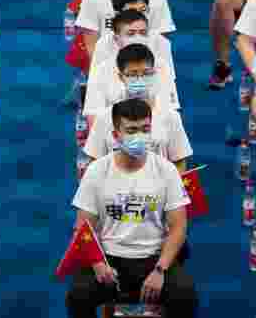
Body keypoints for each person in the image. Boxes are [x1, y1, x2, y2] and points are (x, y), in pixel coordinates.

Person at [67, 97, 197, 318]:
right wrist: (98, 264)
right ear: (116, 135)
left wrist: (160, 269)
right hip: (109, 258)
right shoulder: (97, 171)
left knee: (185, 296)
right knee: (77, 296)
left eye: (145, 129)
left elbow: (179, 227)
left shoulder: (166, 170)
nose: (139, 136)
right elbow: (82, 228)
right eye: (131, 130)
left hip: (153, 257)